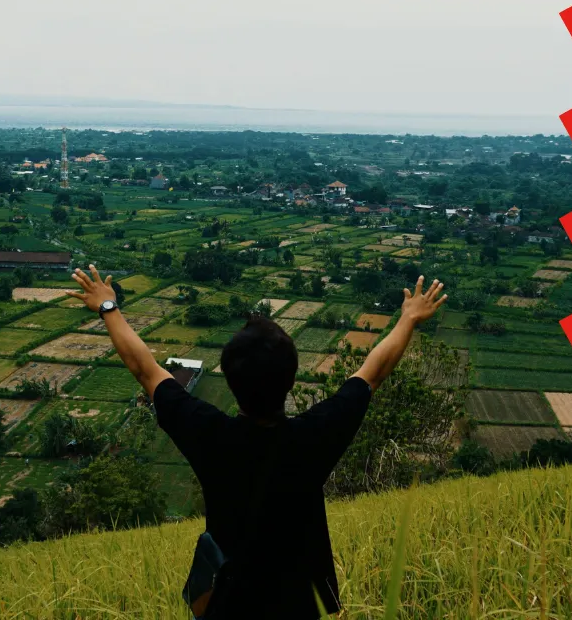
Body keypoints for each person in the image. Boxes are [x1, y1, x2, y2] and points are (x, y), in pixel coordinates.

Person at [67, 264, 447, 619]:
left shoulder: (209, 434)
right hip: (298, 606)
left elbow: (145, 370)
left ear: (230, 380)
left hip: (228, 606)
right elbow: (373, 372)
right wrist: (409, 318)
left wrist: (108, 307)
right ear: (291, 379)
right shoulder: (314, 436)